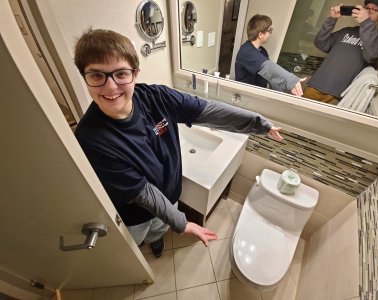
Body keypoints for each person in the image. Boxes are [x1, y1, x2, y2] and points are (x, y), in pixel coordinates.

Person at [74, 28, 283, 257]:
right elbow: (144, 194)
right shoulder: (90, 138)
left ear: (135, 73)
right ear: (85, 77)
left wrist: (258, 123)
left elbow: (209, 110)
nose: (111, 87)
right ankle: (145, 246)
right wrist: (183, 224)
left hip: (171, 195)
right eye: (97, 76)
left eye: (121, 74)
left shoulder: (158, 97)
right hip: (132, 213)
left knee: (159, 229)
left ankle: (156, 241)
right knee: (137, 240)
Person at [303, 0, 378, 104]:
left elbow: (371, 56)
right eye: (367, 8)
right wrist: (332, 19)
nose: (369, 12)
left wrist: (366, 22)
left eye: (374, 10)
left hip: (338, 96)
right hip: (315, 87)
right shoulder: (347, 30)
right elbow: (321, 43)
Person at [235, 14, 305, 96]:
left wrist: (279, 94)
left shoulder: (263, 51)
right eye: (269, 30)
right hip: (245, 95)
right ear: (260, 34)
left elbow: (269, 75)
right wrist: (292, 80)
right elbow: (267, 66)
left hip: (258, 94)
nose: (270, 33)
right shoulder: (246, 51)